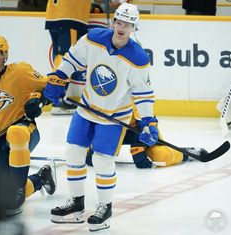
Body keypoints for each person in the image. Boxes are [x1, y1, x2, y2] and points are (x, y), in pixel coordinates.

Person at [44, 2, 159, 231]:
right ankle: (76, 205)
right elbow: (73, 58)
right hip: (87, 108)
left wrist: (149, 123)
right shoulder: (94, 38)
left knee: (102, 159)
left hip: (114, 116)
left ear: (134, 27)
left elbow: (143, 95)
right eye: (119, 21)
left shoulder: (138, 58)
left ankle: (105, 208)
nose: (122, 27)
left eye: (128, 23)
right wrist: (60, 76)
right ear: (113, 22)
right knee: (74, 153)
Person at [0, 36, 56, 216]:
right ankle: (40, 178)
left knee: (16, 133)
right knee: (5, 202)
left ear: (5, 56)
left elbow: (52, 86)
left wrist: (40, 99)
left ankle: (17, 191)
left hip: (21, 130)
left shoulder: (19, 73)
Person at [45, 0, 92, 115]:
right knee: (67, 58)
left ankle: (57, 97)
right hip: (70, 16)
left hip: (57, 15)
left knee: (60, 56)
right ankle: (56, 98)